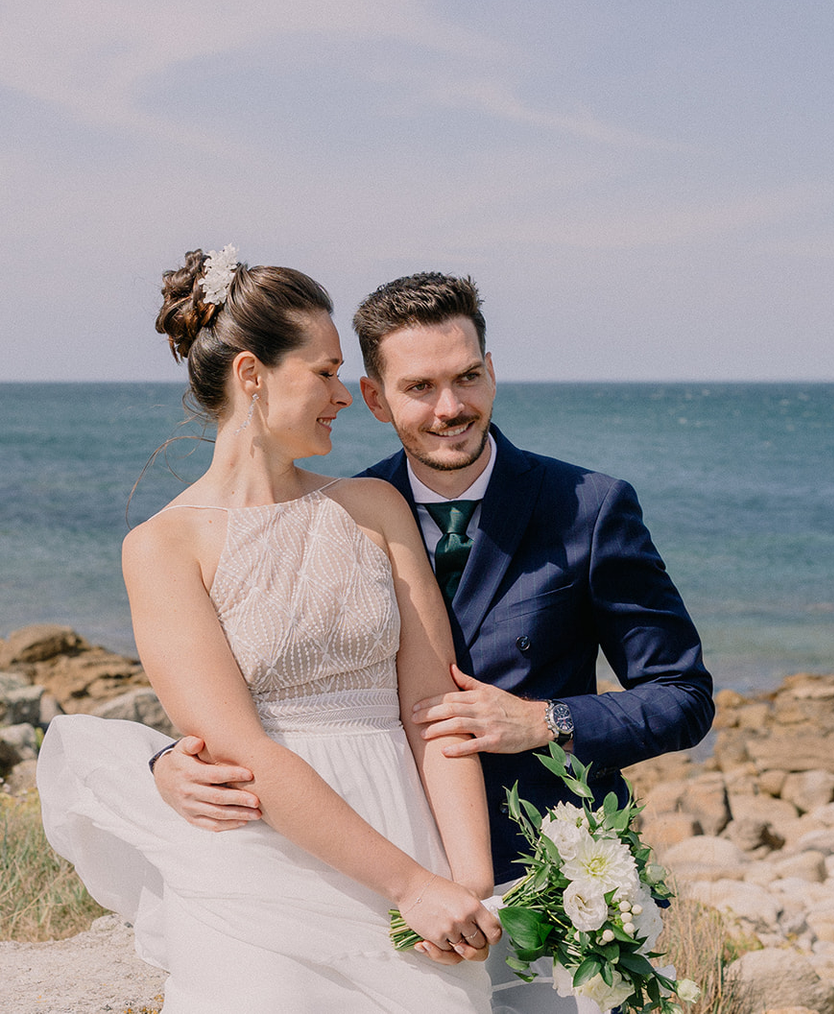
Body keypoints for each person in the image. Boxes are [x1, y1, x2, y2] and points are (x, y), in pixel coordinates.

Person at [151, 271, 716, 1014]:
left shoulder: (590, 508)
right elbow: (265, 682)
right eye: (420, 387)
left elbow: (683, 697)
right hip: (374, 867)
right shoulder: (346, 509)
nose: (452, 408)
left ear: (492, 372)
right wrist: (173, 759)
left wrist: (546, 721)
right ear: (377, 397)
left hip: (549, 881)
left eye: (469, 377)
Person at [38, 249, 504, 1013]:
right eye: (323, 373)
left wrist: (464, 883)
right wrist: (407, 885)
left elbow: (434, 709)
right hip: (264, 858)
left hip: (408, 830)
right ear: (252, 374)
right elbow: (240, 749)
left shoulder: (374, 510)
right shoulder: (162, 547)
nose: (342, 396)